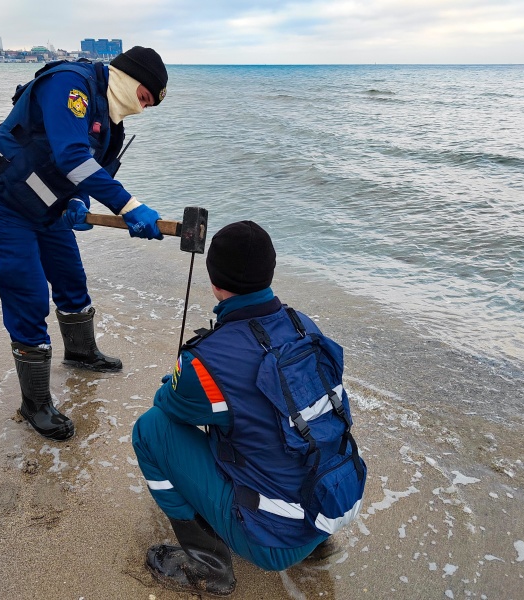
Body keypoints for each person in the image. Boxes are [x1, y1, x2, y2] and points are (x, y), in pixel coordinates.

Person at [132, 221, 367, 596]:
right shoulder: (305, 326)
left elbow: (170, 408)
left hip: (271, 541)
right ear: (271, 271)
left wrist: (176, 377)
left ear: (214, 280)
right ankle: (318, 545)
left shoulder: (206, 360)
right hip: (332, 506)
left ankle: (209, 564)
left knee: (150, 428)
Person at [0, 46, 168, 441]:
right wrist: (129, 206)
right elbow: (73, 156)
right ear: (131, 79)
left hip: (51, 207)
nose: (141, 109)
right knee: (26, 291)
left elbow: (91, 172)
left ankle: (80, 353)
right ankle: (35, 403)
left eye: (149, 106)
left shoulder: (113, 127)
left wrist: (79, 202)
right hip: (5, 198)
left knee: (71, 280)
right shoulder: (68, 84)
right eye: (144, 99)